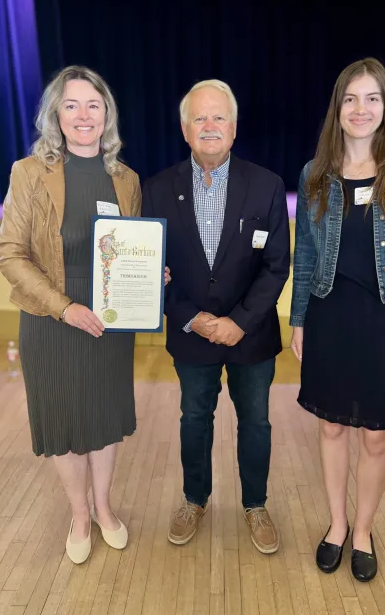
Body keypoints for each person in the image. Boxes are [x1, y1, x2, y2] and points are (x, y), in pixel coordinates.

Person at [0, 65, 170, 564]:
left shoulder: (125, 179)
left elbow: (131, 247)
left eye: (93, 105)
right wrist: (64, 307)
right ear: (56, 114)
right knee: (65, 421)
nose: (83, 115)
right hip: (52, 321)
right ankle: (79, 514)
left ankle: (105, 507)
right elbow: (10, 254)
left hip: (109, 324)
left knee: (102, 418)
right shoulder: (29, 173)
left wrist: (150, 276)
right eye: (71, 105)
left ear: (107, 115)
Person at [290, 58, 385, 581]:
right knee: (332, 427)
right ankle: (336, 524)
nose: (361, 109)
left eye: (372, 98)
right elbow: (304, 257)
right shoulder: (314, 174)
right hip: (330, 316)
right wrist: (299, 321)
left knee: (376, 436)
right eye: (351, 99)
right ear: (338, 107)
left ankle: (363, 531)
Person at [142, 79, 290, 554]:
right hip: (191, 333)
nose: (209, 126)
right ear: (185, 131)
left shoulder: (267, 186)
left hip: (251, 334)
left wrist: (239, 322)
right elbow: (152, 271)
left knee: (257, 423)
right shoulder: (157, 189)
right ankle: (194, 499)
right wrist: (196, 320)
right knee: (193, 418)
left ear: (234, 127)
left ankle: (255, 504)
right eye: (199, 119)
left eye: (218, 117)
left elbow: (276, 266)